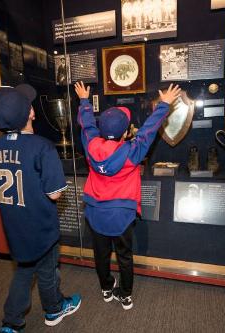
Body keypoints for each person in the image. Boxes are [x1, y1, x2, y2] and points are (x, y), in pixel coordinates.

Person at [74, 81, 181, 310]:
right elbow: (148, 132)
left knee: (101, 254)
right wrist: (164, 105)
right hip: (122, 214)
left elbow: (86, 126)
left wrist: (84, 100)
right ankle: (125, 294)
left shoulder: (91, 145)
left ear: (102, 130)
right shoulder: (132, 152)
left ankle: (105, 288)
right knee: (124, 255)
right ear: (125, 132)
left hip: (95, 212)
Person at [0, 84, 81, 332]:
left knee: (24, 272)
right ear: (31, 114)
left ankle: (11, 322)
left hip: (15, 227)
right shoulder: (42, 146)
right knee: (48, 271)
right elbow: (55, 194)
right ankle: (55, 309)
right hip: (40, 226)